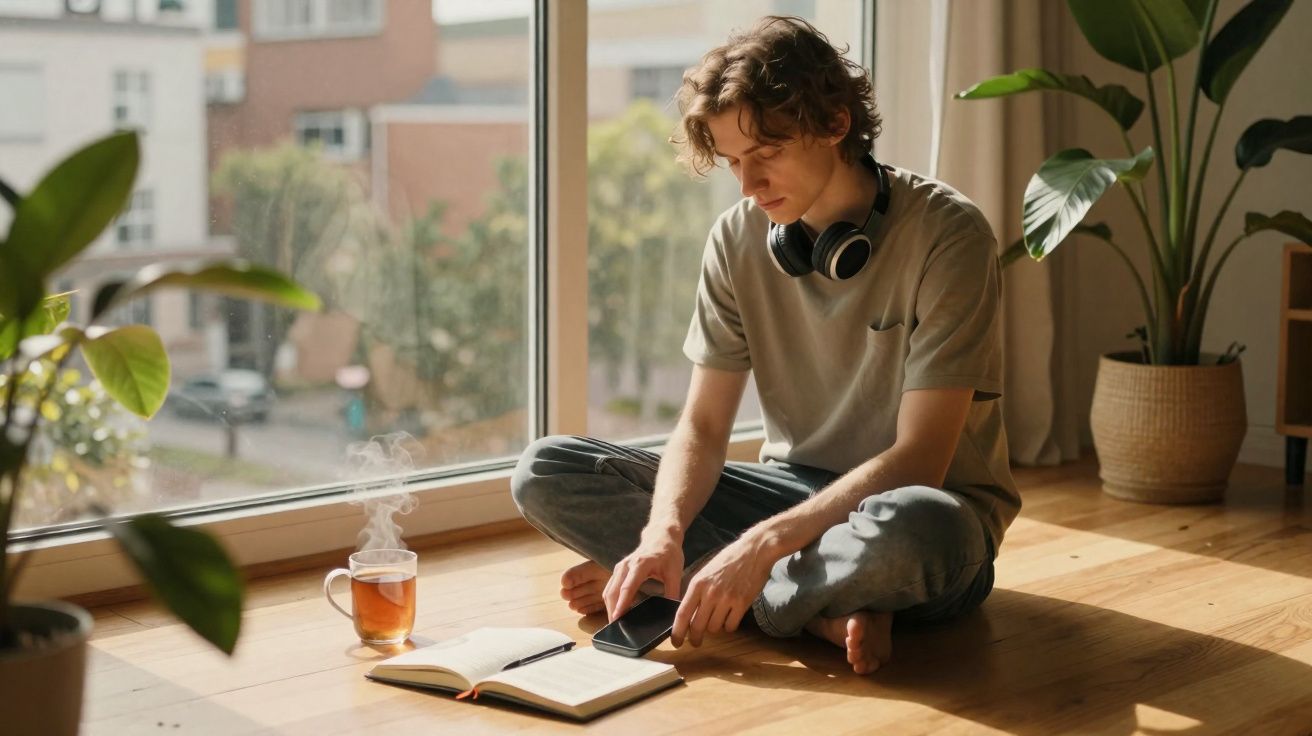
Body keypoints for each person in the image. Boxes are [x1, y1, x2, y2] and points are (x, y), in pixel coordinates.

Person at [510, 15, 1019, 675]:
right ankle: (816, 609)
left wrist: (755, 551)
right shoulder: (736, 238)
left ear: (836, 123)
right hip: (791, 490)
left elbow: (920, 458)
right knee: (546, 469)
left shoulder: (950, 235)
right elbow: (702, 424)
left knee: (919, 530)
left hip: (922, 508)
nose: (747, 187)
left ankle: (722, 589)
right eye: (732, 163)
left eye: (767, 153)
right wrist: (660, 533)